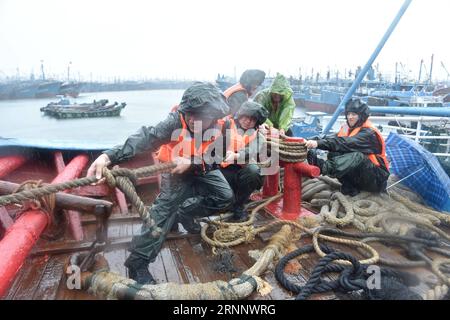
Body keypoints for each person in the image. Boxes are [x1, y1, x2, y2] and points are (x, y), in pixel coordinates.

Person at [86, 82, 234, 284]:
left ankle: (184, 213)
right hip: (174, 170)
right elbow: (148, 137)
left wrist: (192, 162)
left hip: (201, 166)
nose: (191, 119)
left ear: (214, 116)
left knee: (224, 196)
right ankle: (137, 263)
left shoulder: (225, 126)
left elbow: (218, 155)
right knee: (163, 212)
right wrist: (108, 157)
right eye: (189, 113)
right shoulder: (176, 121)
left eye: (199, 116)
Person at [305, 98, 390, 196]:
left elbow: (345, 143)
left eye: (354, 114)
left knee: (357, 156)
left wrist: (317, 144)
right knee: (334, 153)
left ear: (361, 116)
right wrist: (310, 140)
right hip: (361, 176)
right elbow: (332, 138)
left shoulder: (369, 133)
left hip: (376, 180)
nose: (350, 117)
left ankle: (322, 167)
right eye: (348, 114)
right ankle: (350, 186)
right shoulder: (348, 128)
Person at [219, 101, 269, 221]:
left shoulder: (259, 137)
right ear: (240, 115)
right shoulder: (225, 124)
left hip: (240, 168)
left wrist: (235, 156)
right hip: (219, 167)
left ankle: (239, 206)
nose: (248, 121)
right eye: (246, 117)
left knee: (254, 171)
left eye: (253, 119)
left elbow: (251, 151)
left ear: (257, 122)